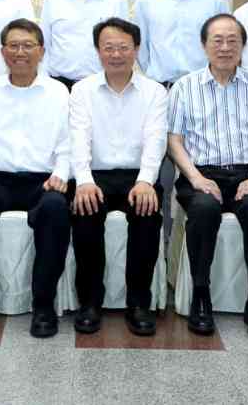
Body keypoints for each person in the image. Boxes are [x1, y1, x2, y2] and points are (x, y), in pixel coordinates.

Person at [0, 19, 71, 338]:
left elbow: (68, 144)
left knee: (56, 209)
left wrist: (61, 175)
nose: (20, 52)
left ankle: (43, 303)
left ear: (41, 51)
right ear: (3, 52)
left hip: (42, 181)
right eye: (14, 46)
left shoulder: (58, 92)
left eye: (28, 45)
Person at [167, 14, 248, 341]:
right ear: (204, 45)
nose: (225, 47)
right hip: (201, 173)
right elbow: (174, 140)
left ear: (243, 46)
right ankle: (201, 296)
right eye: (217, 40)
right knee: (203, 209)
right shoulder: (185, 87)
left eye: (233, 40)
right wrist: (195, 178)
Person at [69, 17, 167, 336]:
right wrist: (84, 180)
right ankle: (89, 302)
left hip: (137, 176)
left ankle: (138, 303)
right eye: (108, 47)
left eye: (123, 47)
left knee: (147, 214)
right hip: (94, 175)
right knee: (85, 213)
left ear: (136, 50)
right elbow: (78, 137)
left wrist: (146, 180)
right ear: (98, 51)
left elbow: (156, 139)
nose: (115, 54)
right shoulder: (82, 90)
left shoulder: (154, 92)